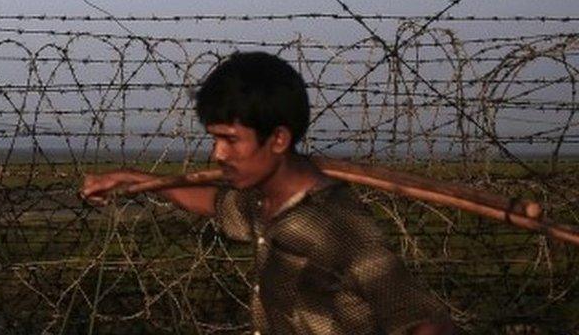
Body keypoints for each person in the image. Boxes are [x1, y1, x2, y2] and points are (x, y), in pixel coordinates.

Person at [81, 51, 455, 335]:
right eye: (215, 138)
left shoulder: (338, 228)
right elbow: (212, 201)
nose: (218, 154)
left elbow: (423, 323)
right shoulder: (265, 203)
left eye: (230, 140)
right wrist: (130, 179)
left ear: (278, 138)